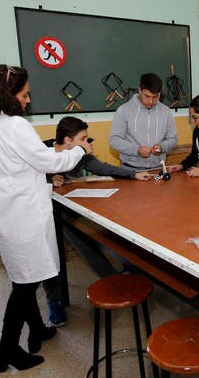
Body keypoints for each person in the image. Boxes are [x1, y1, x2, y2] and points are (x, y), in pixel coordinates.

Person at [0, 64, 91, 372]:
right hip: (25, 214)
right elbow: (48, 161)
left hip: (5, 214)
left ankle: (37, 329)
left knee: (23, 274)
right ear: (9, 95)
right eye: (24, 94)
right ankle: (6, 348)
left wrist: (9, 179)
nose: (27, 99)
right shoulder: (15, 126)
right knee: (26, 283)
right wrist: (78, 151)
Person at [41, 116, 151, 326]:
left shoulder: (80, 153)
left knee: (109, 223)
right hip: (46, 212)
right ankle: (55, 301)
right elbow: (24, 175)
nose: (87, 143)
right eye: (83, 138)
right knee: (54, 254)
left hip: (75, 204)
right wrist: (47, 179)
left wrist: (134, 174)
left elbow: (104, 168)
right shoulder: (40, 151)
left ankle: (124, 271)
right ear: (68, 140)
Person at [109, 72, 178, 172]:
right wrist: (136, 149)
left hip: (157, 169)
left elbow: (173, 139)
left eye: (155, 97)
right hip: (130, 170)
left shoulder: (165, 111)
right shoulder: (124, 110)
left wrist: (162, 147)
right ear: (140, 90)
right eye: (147, 96)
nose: (151, 101)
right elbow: (114, 140)